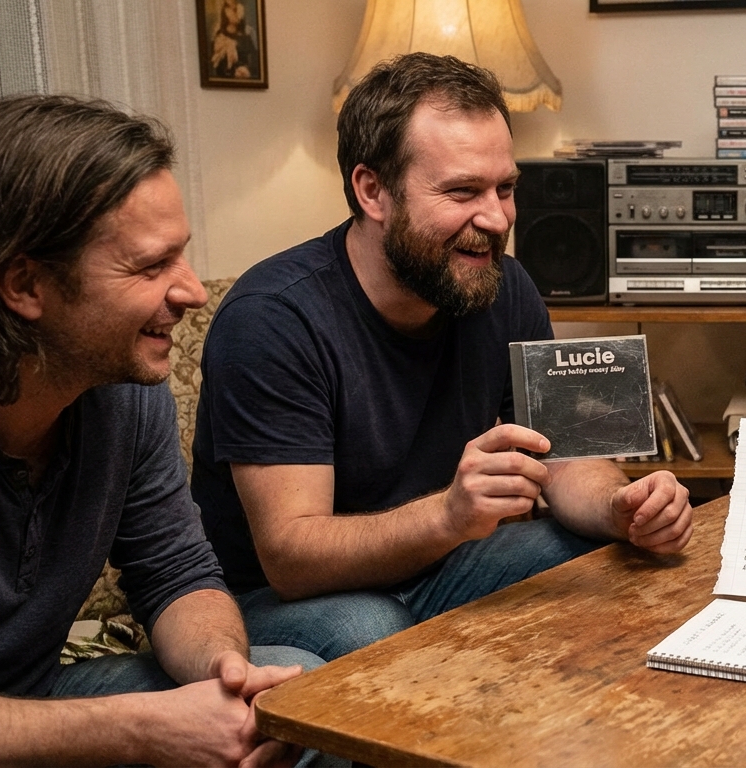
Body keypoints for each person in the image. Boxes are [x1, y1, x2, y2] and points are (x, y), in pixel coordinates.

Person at [193, 53, 695, 662]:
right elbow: (292, 559)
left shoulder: (504, 286)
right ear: (372, 191)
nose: (496, 218)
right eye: (461, 191)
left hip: (440, 562)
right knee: (373, 629)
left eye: (505, 188)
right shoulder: (273, 319)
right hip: (278, 596)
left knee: (610, 564)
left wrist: (621, 510)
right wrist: (451, 516)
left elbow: (565, 461)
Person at [0, 94, 321, 765]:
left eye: (183, 257)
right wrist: (143, 727)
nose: (194, 292)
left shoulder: (123, 394)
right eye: (150, 266)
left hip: (36, 698)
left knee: (296, 705)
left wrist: (225, 673)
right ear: (25, 284)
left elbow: (176, 576)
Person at [210, 0, 261, 80]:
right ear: (225, 11)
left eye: (237, 9)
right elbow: (216, 66)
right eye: (232, 9)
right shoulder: (219, 37)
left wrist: (246, 70)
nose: (236, 13)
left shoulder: (247, 37)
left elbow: (255, 62)